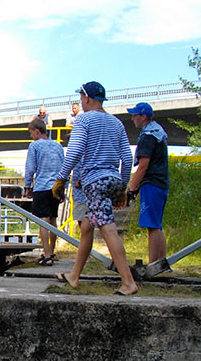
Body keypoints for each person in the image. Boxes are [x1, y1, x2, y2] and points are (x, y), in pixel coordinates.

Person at [53, 81, 138, 296]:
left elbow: (75, 151)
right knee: (88, 226)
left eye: (81, 97)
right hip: (113, 179)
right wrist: (123, 187)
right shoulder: (116, 123)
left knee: (108, 229)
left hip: (95, 182)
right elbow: (127, 158)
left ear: (87, 98)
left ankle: (128, 282)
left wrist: (61, 178)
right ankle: (74, 275)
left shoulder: (84, 119)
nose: (80, 101)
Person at [126, 102, 169, 264]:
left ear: (143, 117)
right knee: (157, 225)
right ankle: (162, 263)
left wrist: (131, 188)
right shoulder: (158, 132)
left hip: (152, 183)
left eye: (135, 115)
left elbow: (143, 165)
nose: (132, 118)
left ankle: (153, 265)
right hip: (160, 182)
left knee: (152, 226)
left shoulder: (148, 136)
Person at [23, 117, 64, 266]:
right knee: (53, 219)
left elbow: (30, 168)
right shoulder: (58, 146)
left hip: (41, 186)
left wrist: (28, 186)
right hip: (56, 187)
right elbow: (63, 167)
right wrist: (62, 187)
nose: (31, 136)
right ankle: (52, 252)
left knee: (43, 220)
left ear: (37, 131)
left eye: (31, 133)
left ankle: (46, 255)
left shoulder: (35, 146)